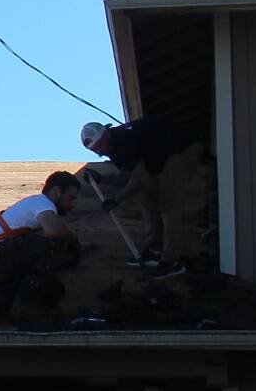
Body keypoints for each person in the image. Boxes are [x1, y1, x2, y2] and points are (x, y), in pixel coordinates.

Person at [80, 117, 201, 276]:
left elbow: (139, 178)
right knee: (146, 197)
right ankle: (154, 249)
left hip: (184, 149)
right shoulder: (115, 152)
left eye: (100, 146)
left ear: (107, 134)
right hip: (159, 163)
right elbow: (130, 178)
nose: (99, 151)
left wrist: (116, 200)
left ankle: (171, 261)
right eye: (95, 150)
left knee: (169, 201)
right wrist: (101, 179)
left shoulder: (124, 140)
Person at [0, 171, 83, 321]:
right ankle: (25, 306)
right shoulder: (42, 202)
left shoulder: (33, 207)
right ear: (56, 191)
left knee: (54, 290)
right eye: (71, 198)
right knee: (56, 245)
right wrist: (74, 242)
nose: (73, 205)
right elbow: (54, 231)